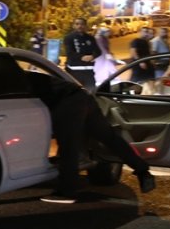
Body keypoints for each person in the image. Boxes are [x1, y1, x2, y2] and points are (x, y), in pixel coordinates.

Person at [29, 72, 156, 204]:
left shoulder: (14, 79)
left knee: (69, 146)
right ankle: (143, 172)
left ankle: (67, 191)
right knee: (108, 137)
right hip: (83, 97)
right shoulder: (25, 75)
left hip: (66, 103)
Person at [63, 17, 99, 90]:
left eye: (82, 24)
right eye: (77, 24)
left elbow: (98, 51)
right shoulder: (69, 38)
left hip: (89, 73)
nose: (80, 26)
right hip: (74, 72)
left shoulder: (90, 38)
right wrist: (82, 57)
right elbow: (69, 53)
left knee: (91, 94)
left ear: (85, 26)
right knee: (76, 94)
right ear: (73, 26)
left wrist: (93, 56)